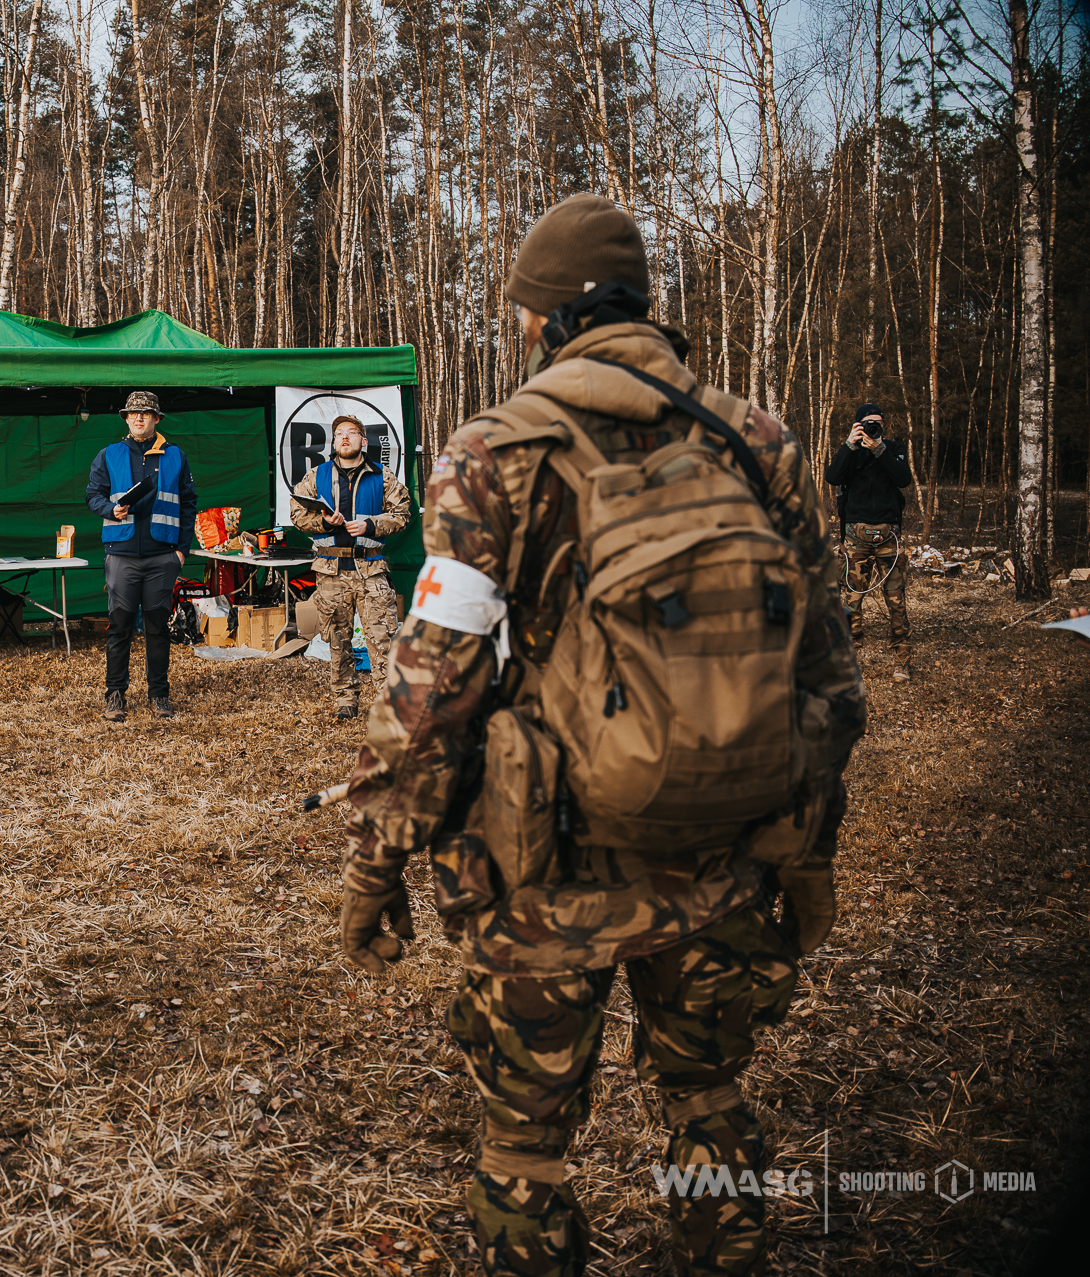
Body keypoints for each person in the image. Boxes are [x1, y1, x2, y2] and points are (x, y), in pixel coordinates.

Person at [333, 194, 865, 1276]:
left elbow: (431, 683)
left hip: (543, 873)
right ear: (642, 308)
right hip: (722, 852)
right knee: (706, 1094)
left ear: (536, 320)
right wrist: (807, 847)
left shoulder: (495, 450)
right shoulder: (754, 438)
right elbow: (825, 669)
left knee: (523, 1143)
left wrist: (374, 861)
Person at [290, 415, 415, 718]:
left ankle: (389, 705)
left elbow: (403, 513)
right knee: (337, 639)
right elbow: (296, 513)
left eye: (351, 433)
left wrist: (372, 524)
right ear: (333, 443)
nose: (344, 438)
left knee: (383, 639)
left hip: (370, 570)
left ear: (364, 441)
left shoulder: (382, 477)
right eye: (339, 434)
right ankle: (345, 700)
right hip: (330, 571)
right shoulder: (316, 476)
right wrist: (322, 521)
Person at [85, 390, 197, 721]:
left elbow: (189, 504)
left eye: (146, 413)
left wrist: (181, 550)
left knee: (157, 627)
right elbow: (93, 496)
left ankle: (159, 695)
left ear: (157, 419)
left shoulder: (176, 456)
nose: (138, 418)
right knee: (119, 626)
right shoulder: (108, 455)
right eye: (132, 414)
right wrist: (110, 508)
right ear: (125, 419)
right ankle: (115, 694)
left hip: (162, 555)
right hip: (121, 553)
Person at [823, 402, 914, 682]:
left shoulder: (893, 449)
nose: (875, 427)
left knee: (896, 599)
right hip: (855, 535)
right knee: (851, 599)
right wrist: (850, 446)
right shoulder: (850, 451)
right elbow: (832, 476)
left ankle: (902, 661)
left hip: (888, 535)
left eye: (879, 423)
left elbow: (904, 479)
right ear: (858, 425)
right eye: (868, 423)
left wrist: (879, 449)